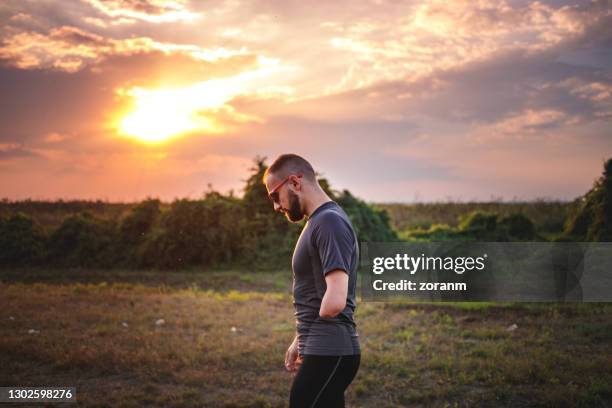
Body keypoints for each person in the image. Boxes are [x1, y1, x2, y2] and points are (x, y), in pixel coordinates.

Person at [262, 153, 361, 408]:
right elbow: (318, 294)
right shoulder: (319, 221)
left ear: (295, 182)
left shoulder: (328, 222)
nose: (276, 206)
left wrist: (313, 338)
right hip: (324, 346)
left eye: (275, 196)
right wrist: (301, 339)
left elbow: (335, 301)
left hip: (330, 349)